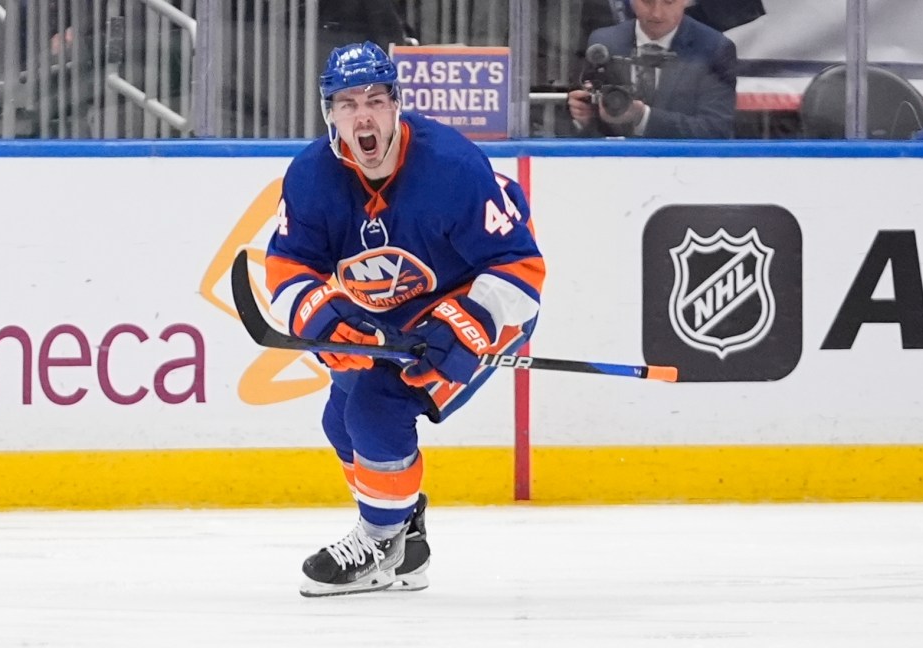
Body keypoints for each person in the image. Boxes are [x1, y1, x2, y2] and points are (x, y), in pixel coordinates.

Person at [262, 41, 545, 597]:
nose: (362, 116)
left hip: (481, 305)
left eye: (374, 99)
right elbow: (289, 264)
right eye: (347, 103)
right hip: (391, 313)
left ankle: (381, 540)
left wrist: (465, 325)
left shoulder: (451, 165)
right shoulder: (311, 175)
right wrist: (325, 319)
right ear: (329, 113)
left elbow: (521, 267)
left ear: (396, 103)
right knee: (340, 419)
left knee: (377, 407)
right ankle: (407, 538)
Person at [567, 0, 737, 139]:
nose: (657, 13)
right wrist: (585, 118)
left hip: (682, 168)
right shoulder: (603, 43)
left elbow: (716, 129)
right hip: (615, 167)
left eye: (668, 2)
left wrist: (642, 116)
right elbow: (590, 124)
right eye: (647, 1)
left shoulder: (714, 48)